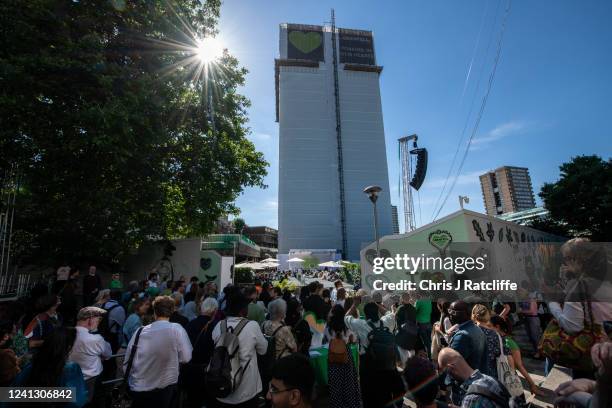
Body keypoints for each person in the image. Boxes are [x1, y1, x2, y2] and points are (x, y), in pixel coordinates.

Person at [123, 296, 192, 408]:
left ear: (155, 312)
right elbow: (186, 358)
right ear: (172, 311)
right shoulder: (177, 329)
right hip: (164, 389)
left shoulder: (139, 331)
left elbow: (127, 363)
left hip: (139, 388)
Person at [210, 291, 268, 407]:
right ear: (242, 310)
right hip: (246, 391)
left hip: (221, 387)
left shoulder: (218, 325)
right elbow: (263, 350)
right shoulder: (252, 326)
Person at [345, 300, 403, 408]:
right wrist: (377, 304)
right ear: (377, 312)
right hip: (387, 365)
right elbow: (389, 313)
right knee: (386, 395)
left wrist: (355, 304)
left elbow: (346, 317)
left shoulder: (361, 324)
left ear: (365, 314)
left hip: (369, 368)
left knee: (369, 397)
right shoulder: (387, 321)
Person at [11, 327, 88, 407]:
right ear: (68, 347)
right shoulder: (70, 369)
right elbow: (76, 401)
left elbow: (12, 394)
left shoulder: (33, 364)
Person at [438, 347, 512, 408]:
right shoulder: (491, 380)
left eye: (446, 372)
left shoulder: (471, 399)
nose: (447, 376)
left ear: (451, 368)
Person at [68, 307, 112, 406]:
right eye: (98, 319)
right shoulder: (95, 339)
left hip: (69, 378)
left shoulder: (66, 334)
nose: (99, 322)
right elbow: (108, 354)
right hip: (91, 381)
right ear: (90, 319)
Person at [446, 301, 486, 406]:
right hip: (477, 382)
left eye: (453, 312)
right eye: (449, 311)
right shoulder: (477, 329)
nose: (449, 314)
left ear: (465, 313)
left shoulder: (462, 336)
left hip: (463, 388)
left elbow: (452, 365)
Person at [490, 315, 542, 397]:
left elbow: (519, 366)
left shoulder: (509, 342)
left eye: (489, 326)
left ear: (497, 327)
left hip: (508, 382)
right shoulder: (496, 339)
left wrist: (532, 385)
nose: (487, 329)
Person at [183, 297, 219, 408]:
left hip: (190, 369)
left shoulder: (190, 324)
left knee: (192, 400)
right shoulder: (216, 326)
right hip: (207, 371)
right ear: (214, 311)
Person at [326, 305, 361, 408]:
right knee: (348, 382)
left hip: (332, 355)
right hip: (346, 355)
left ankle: (337, 404)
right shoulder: (346, 325)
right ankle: (350, 404)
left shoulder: (328, 326)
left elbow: (326, 339)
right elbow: (353, 339)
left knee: (335, 383)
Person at [117, 297, 151, 377]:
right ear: (138, 306)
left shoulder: (132, 316)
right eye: (146, 304)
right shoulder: (136, 319)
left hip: (123, 351)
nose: (148, 307)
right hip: (126, 353)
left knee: (120, 380)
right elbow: (136, 340)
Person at [471, 304, 505, 380]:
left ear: (474, 316)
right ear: (487, 315)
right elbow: (500, 352)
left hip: (475, 373)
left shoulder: (470, 333)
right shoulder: (495, 334)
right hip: (492, 372)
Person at [415, 293, 433, 358]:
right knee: (431, 342)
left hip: (421, 324)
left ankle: (430, 358)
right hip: (428, 323)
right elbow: (430, 311)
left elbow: (414, 311)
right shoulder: (429, 300)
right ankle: (433, 356)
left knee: (426, 343)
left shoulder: (418, 301)